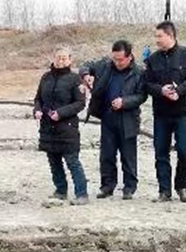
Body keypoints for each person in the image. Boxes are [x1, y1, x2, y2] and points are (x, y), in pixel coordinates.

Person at [79, 40, 147, 200]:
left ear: (129, 57)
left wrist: (125, 102)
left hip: (128, 118)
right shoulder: (105, 65)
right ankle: (107, 186)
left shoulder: (139, 72)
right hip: (107, 117)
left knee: (128, 155)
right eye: (115, 58)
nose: (117, 62)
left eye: (120, 59)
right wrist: (86, 75)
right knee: (107, 154)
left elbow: (142, 95)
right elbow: (86, 65)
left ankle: (129, 187)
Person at [143, 21, 186, 203]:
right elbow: (146, 83)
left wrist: (179, 91)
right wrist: (161, 90)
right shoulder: (152, 59)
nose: (157, 40)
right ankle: (164, 190)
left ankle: (181, 186)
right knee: (161, 151)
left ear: (171, 35)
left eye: (159, 36)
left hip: (182, 111)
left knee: (185, 150)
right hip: (161, 112)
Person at [34, 47, 89, 204]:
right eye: (58, 57)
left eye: (64, 58)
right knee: (54, 161)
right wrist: (37, 110)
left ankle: (82, 194)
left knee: (72, 161)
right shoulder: (45, 77)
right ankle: (60, 190)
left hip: (67, 127)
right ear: (53, 58)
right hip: (47, 127)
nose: (61, 61)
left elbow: (80, 103)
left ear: (70, 60)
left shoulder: (75, 79)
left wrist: (61, 113)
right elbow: (38, 98)